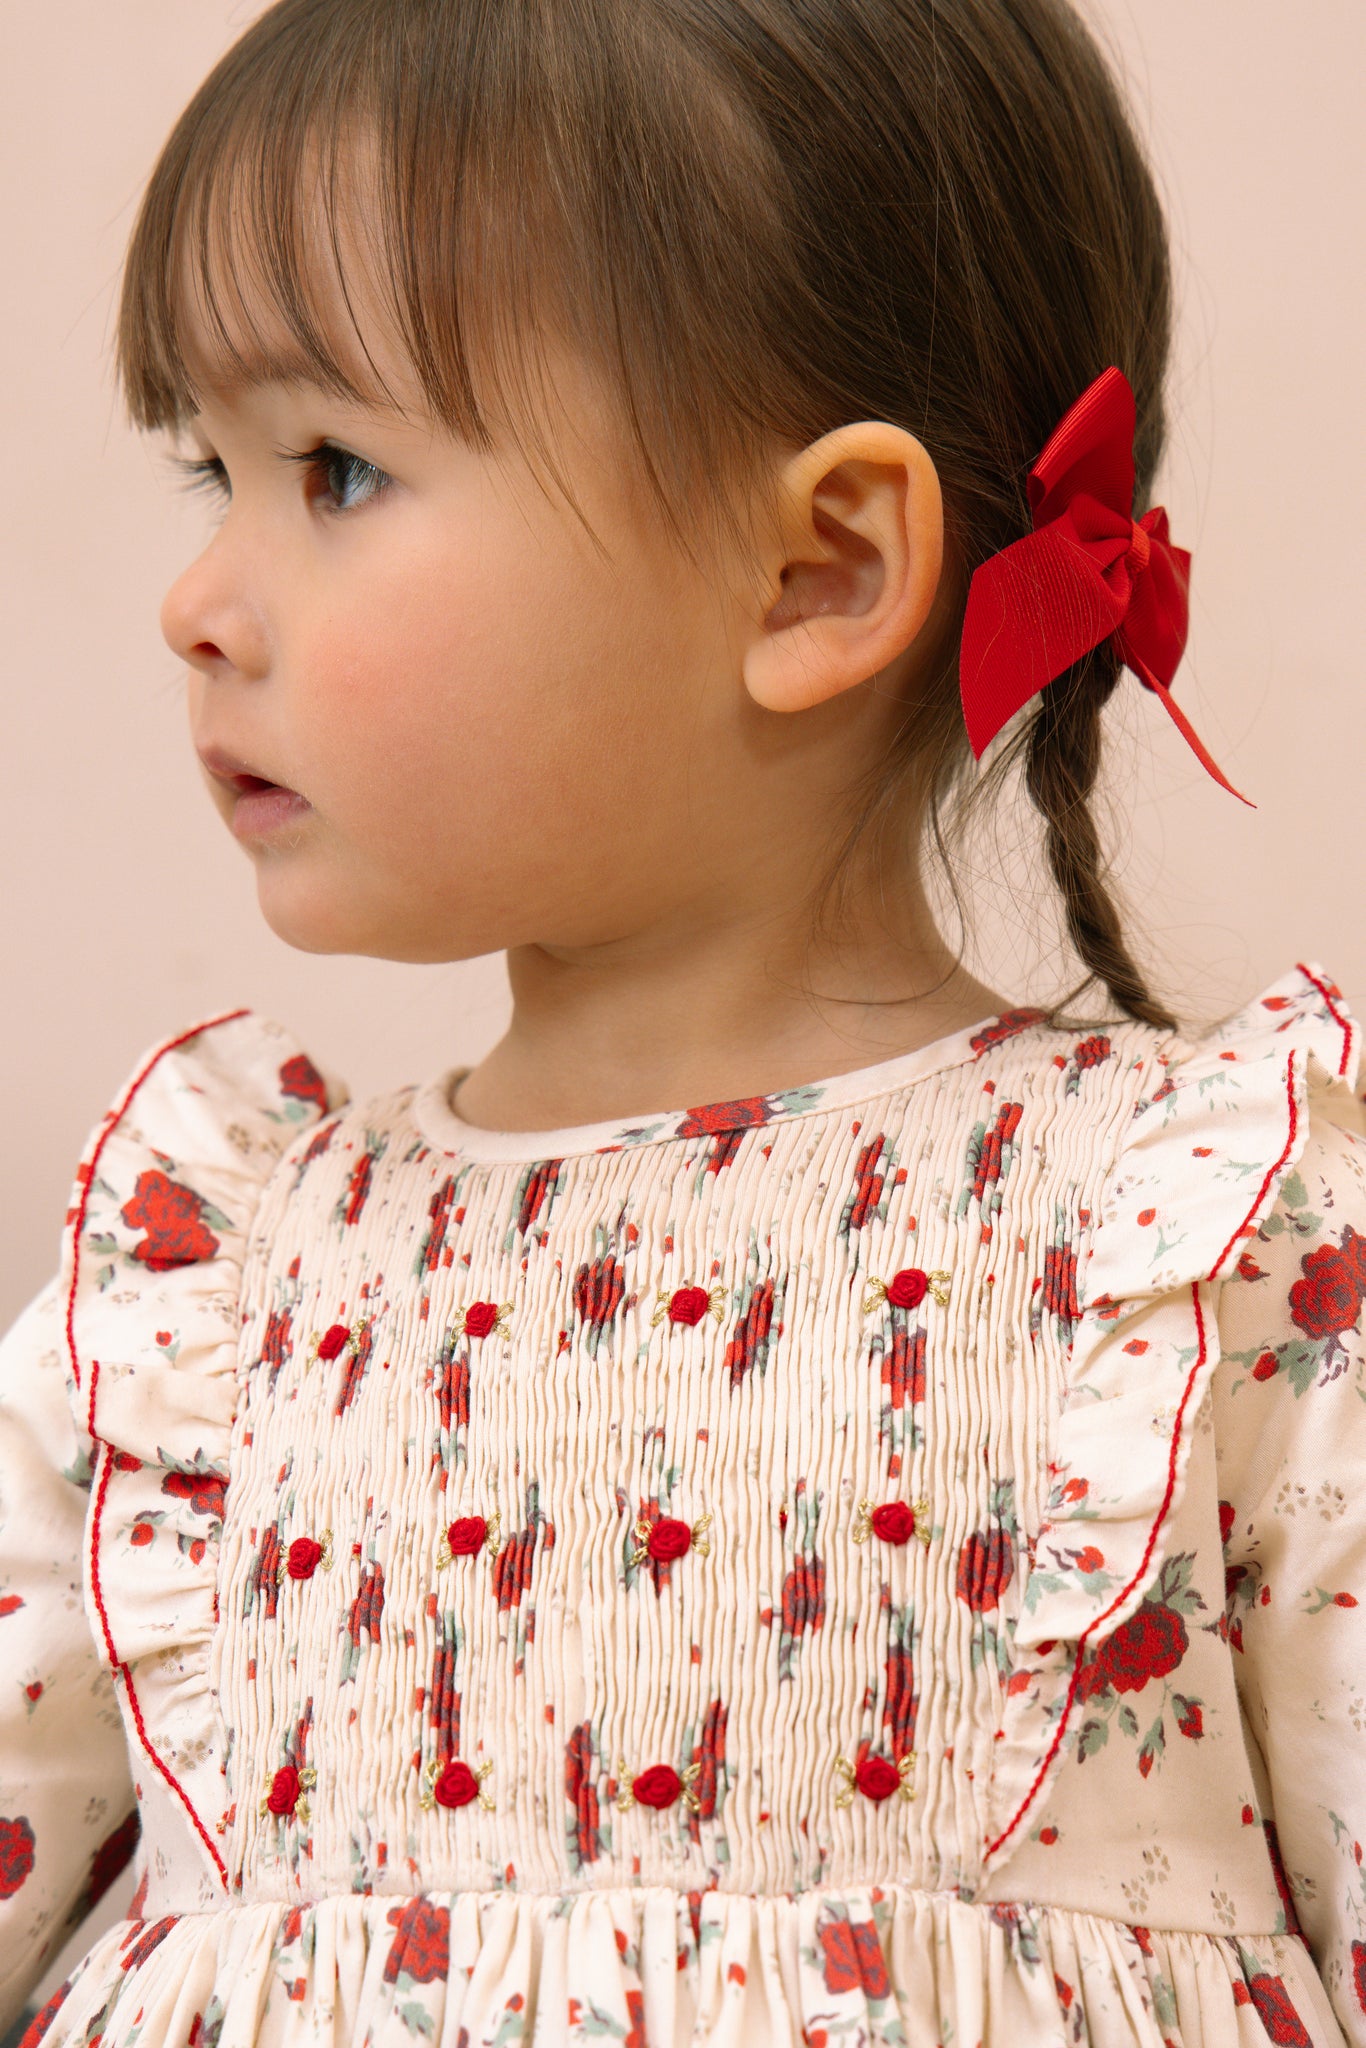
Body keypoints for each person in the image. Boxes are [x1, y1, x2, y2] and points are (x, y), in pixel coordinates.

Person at [1, 0, 1362, 2040]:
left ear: (816, 568)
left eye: (335, 467)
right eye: (218, 467)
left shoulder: (1192, 1257)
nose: (198, 596)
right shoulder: (198, 1312)